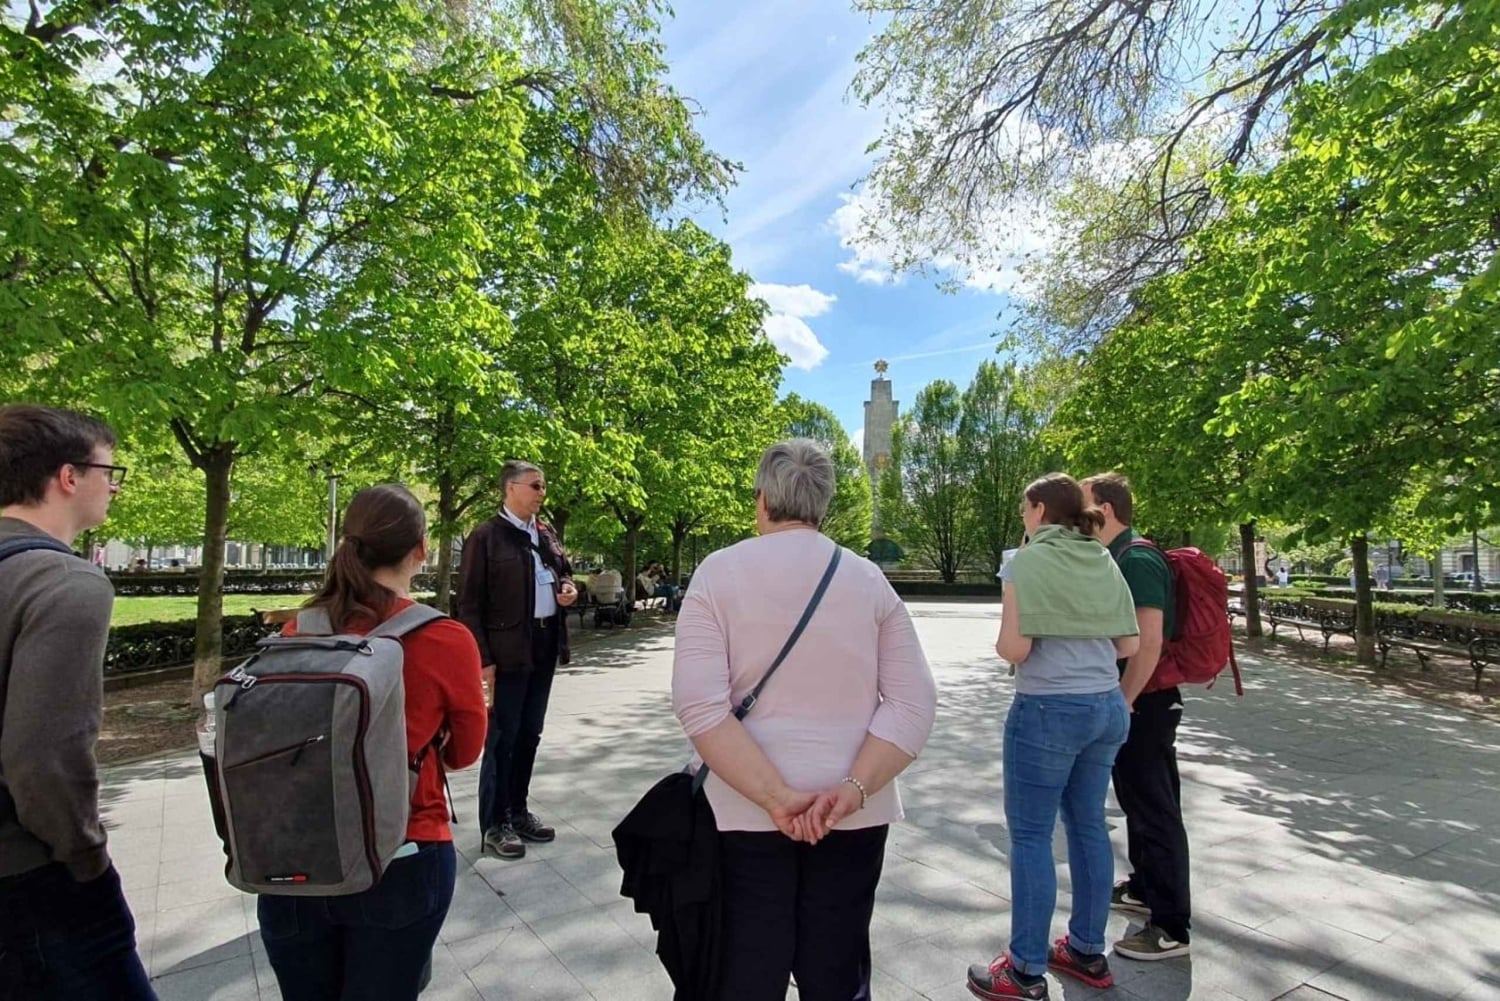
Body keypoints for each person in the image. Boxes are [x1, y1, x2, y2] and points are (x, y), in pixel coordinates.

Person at [672, 439, 937, 1001]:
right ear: (825, 503)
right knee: (837, 972)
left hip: (740, 809)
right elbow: (914, 703)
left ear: (762, 499)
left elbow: (700, 707)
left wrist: (773, 797)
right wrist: (852, 789)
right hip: (850, 813)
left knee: (745, 971)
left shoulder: (717, 574)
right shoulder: (869, 581)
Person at [255, 484, 487, 1001]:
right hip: (401, 851)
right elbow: (464, 753)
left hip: (296, 859)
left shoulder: (300, 629)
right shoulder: (446, 639)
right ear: (421, 549)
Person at [0, 404, 156, 1000]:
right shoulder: (65, 584)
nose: (113, 485)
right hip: (32, 883)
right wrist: (87, 858)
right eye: (108, 471)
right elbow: (45, 757)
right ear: (69, 476)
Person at [966, 474, 1138, 1000]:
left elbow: (1014, 649)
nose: (1022, 517)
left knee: (1031, 837)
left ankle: (1022, 969)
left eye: (1024, 508)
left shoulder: (1025, 561)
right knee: (1088, 825)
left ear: (1040, 510)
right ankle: (1087, 951)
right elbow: (1127, 642)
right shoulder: (1101, 557)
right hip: (1107, 706)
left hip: (1048, 710)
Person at [1081, 472, 1193, 961]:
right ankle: (1145, 888)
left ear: (1103, 510)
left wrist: (1123, 700)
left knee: (1155, 808)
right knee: (1136, 801)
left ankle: (1171, 926)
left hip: (1144, 702)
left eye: (1081, 507)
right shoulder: (1119, 557)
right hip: (1136, 699)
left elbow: (1148, 643)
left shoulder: (1139, 559)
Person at [457, 460, 578, 860]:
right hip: (506, 654)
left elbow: (564, 571)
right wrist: (483, 659)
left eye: (543, 486)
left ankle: (519, 810)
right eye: (535, 486)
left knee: (530, 734)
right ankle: (495, 823)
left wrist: (567, 588)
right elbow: (469, 605)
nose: (542, 493)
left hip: (542, 646)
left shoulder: (545, 533)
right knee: (502, 739)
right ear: (510, 489)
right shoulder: (486, 537)